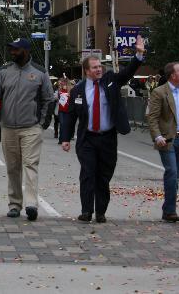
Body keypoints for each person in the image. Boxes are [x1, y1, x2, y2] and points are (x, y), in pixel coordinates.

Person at [60, 34, 146, 223]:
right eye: (95, 67)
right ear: (86, 71)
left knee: (103, 176)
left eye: (100, 66)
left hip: (107, 138)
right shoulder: (78, 90)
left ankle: (100, 212)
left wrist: (138, 55)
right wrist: (65, 138)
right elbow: (70, 115)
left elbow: (127, 73)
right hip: (87, 139)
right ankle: (86, 211)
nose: (99, 69)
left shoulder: (111, 82)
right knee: (88, 174)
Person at [0, 38, 54, 221]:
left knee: (30, 165)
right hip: (8, 128)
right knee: (13, 168)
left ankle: (31, 204)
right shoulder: (4, 71)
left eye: (16, 50)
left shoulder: (40, 72)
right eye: (11, 49)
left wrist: (42, 124)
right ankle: (14, 204)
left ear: (26, 51)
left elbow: (48, 99)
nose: (12, 52)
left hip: (31, 128)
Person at [147, 61, 179, 222]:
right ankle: (171, 211)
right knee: (172, 172)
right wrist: (157, 136)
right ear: (173, 75)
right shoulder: (159, 92)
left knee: (175, 176)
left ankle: (167, 208)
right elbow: (152, 117)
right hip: (167, 140)